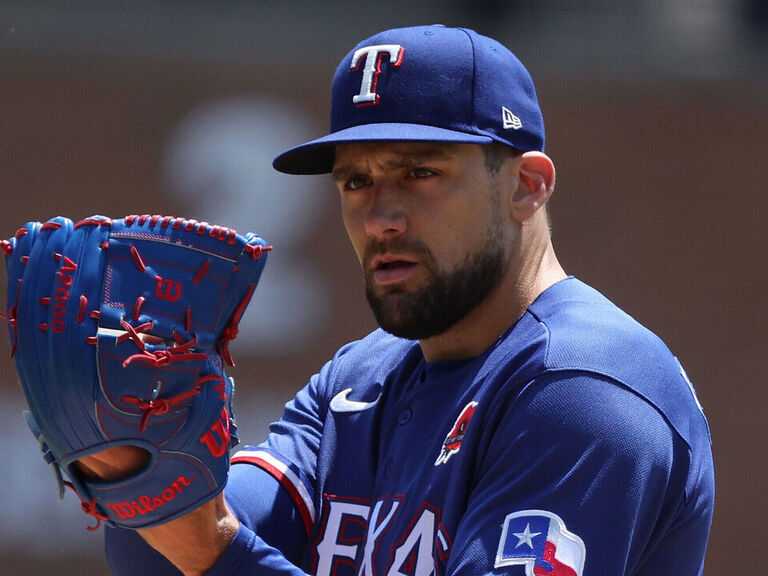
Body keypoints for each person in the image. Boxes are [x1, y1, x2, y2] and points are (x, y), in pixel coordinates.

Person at [90, 25, 714, 575]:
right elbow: (176, 553)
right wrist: (133, 466)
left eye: (420, 172)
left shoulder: (585, 390)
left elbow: (215, 553)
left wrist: (213, 550)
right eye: (357, 181)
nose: (380, 217)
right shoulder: (361, 377)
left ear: (526, 187)